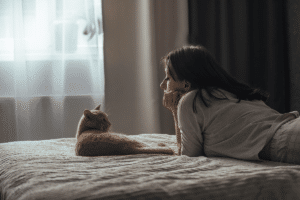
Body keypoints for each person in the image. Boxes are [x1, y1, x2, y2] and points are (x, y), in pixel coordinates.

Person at [160, 45, 300, 164]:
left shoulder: (190, 100)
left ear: (185, 84)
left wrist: (174, 109)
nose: (162, 85)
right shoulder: (230, 91)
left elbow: (189, 156)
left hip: (286, 141)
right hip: (291, 127)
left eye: (168, 78)